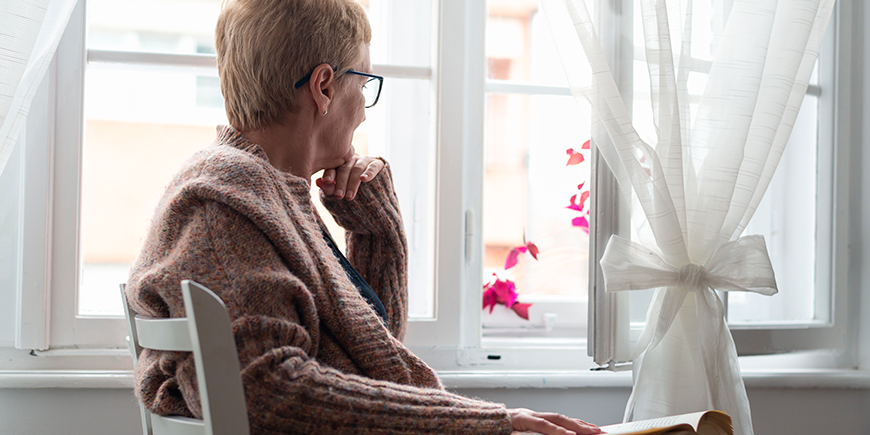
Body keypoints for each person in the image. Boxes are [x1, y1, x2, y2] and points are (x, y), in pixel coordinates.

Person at [125, 0, 603, 433]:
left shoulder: (265, 191)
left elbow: (375, 357)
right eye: (366, 83)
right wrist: (485, 422)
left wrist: (373, 226)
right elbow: (265, 391)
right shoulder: (225, 203)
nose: (365, 114)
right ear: (325, 87)